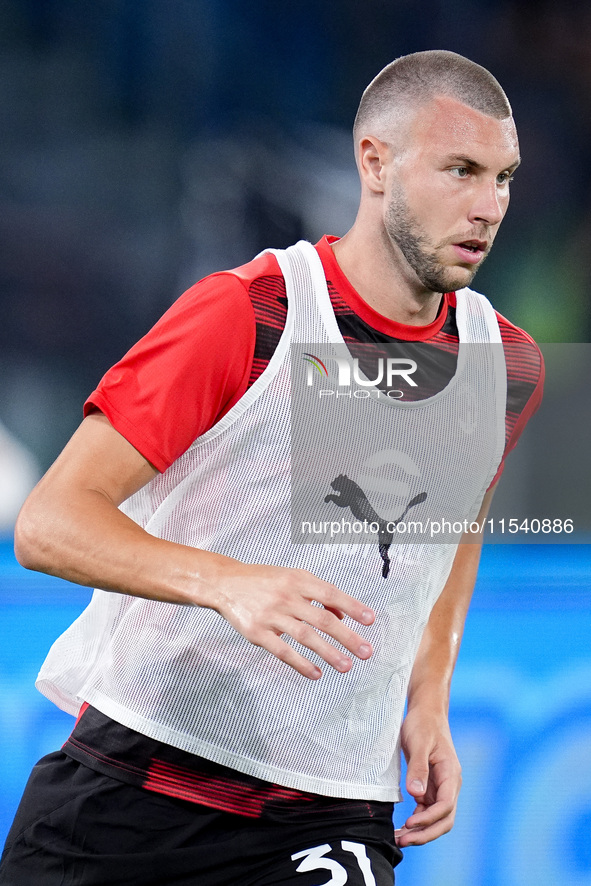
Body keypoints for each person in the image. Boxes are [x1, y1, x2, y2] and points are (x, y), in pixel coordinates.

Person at [0, 50, 543, 885]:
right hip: (132, 789)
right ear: (375, 161)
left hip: (329, 812)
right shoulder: (248, 313)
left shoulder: (502, 363)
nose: (487, 206)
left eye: (502, 177)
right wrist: (229, 582)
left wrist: (427, 695)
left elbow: (452, 523)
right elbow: (50, 524)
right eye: (460, 171)